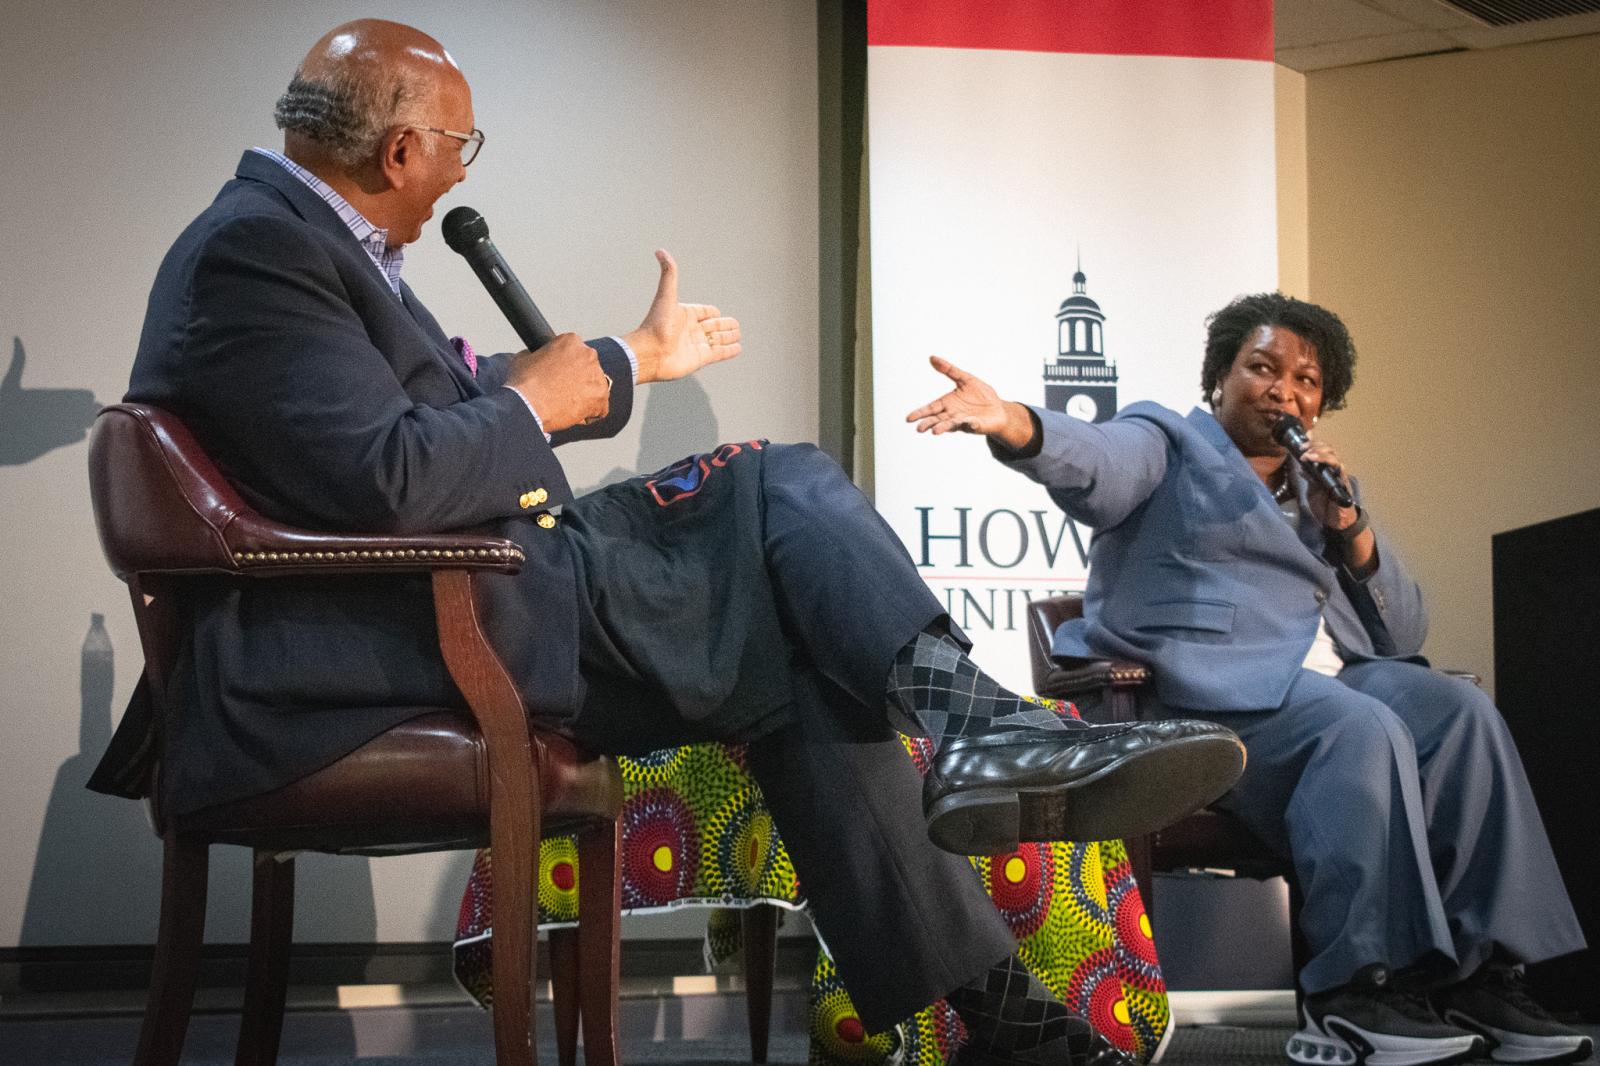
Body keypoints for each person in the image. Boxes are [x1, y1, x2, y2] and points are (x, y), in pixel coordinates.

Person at [88, 21, 1245, 1066]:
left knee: (795, 649)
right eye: (458, 140)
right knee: (780, 481)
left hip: (474, 593)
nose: (459, 166)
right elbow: (389, 476)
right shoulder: (265, 251)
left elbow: (422, 415)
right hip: (411, 624)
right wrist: (537, 403)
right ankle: (981, 735)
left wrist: (628, 359)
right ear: (397, 154)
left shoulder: (305, 245)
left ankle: (1007, 1018)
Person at [909, 292, 1592, 1066]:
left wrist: (1352, 529)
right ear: (1221, 379)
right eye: (1262, 368)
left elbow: (1401, 635)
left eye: (1305, 381)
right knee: (1358, 729)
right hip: (1195, 696)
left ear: (1322, 402)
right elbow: (1096, 462)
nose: (1283, 390)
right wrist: (1013, 423)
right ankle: (1354, 994)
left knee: (1460, 710)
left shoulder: (1322, 491)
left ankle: (1484, 976)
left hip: (1316, 684)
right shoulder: (1167, 440)